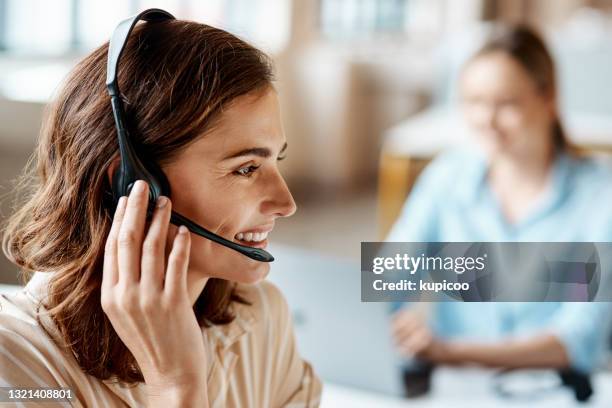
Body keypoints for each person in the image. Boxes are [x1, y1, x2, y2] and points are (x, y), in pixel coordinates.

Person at [0, 15, 321, 407]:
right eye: (246, 168)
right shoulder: (14, 364)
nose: (286, 204)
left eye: (276, 162)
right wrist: (177, 386)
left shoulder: (260, 316)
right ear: (132, 186)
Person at [388, 25, 612, 377]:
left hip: (556, 388)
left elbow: (580, 338)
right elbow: (392, 274)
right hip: (456, 387)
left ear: (548, 98)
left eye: (506, 103)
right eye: (474, 102)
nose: (486, 120)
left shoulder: (601, 195)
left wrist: (447, 351)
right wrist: (392, 325)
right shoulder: (447, 176)